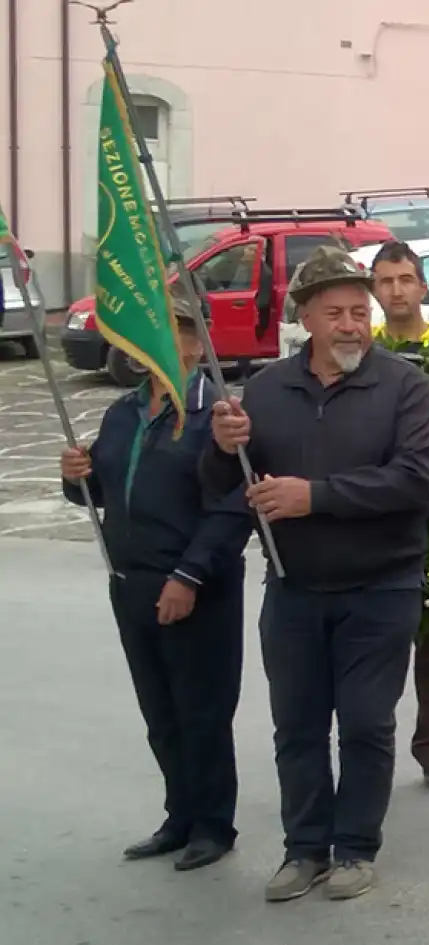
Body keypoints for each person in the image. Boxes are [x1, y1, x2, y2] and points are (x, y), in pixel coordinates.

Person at [202, 247, 429, 904]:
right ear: (305, 317)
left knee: (366, 722)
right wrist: (224, 451)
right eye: (334, 313)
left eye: (358, 312)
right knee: (298, 725)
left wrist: (317, 496)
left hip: (381, 587)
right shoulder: (268, 390)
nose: (351, 325)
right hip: (294, 588)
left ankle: (356, 848)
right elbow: (226, 487)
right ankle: (303, 849)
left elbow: (416, 481)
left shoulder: (404, 386)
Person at [60, 289, 250, 872]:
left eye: (173, 332)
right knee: (160, 712)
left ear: (197, 344)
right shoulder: (125, 411)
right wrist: (75, 477)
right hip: (132, 582)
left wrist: (188, 575)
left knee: (201, 709)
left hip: (195, 585)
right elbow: (101, 491)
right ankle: (181, 816)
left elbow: (232, 508)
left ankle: (214, 825)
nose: (159, 345)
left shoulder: (217, 415)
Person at [368, 240, 429, 795]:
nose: (396, 291)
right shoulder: (363, 350)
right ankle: (370, 752)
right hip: (379, 510)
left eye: (405, 279)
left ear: (423, 286)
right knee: (379, 636)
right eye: (385, 281)